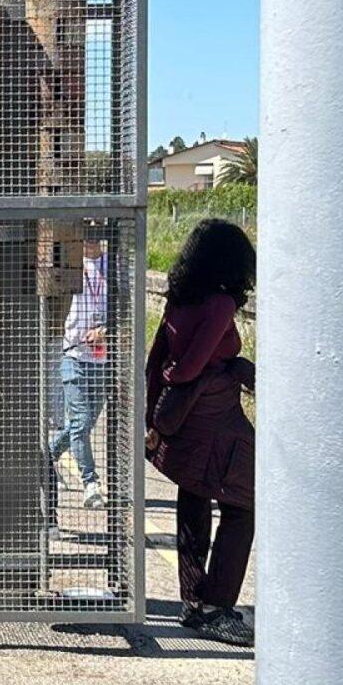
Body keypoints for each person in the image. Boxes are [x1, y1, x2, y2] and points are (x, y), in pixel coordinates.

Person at [145, 217, 256, 644]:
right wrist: (230, 367)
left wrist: (152, 419)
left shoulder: (180, 297)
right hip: (215, 424)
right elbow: (189, 365)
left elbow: (157, 359)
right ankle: (217, 607)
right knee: (243, 506)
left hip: (184, 426)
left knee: (193, 500)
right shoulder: (220, 304)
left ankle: (192, 601)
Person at [46, 239, 111, 512]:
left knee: (83, 424)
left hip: (103, 357)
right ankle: (90, 483)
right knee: (81, 421)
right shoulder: (69, 265)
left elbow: (125, 308)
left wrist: (104, 331)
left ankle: (47, 453)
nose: (91, 239)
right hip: (73, 354)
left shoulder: (113, 266)